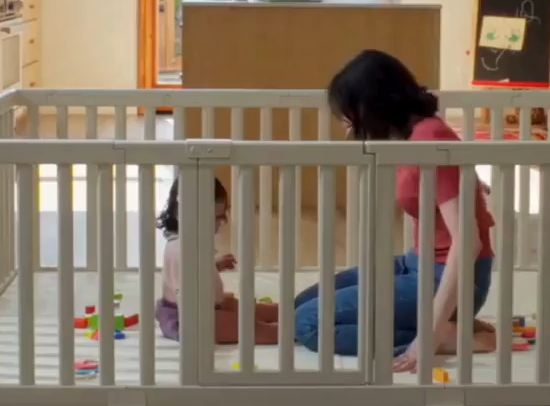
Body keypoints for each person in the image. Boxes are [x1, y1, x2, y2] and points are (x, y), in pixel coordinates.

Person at [294, 49, 496, 371]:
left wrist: (426, 339)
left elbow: (467, 242)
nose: (346, 122)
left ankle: (446, 335)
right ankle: (447, 324)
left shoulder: (429, 137)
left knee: (308, 323)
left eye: (349, 112)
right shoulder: (410, 136)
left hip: (447, 274)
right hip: (416, 263)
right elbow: (455, 177)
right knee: (300, 306)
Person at [155, 176, 279, 344]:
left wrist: (215, 266)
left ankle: (281, 311)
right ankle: (284, 331)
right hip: (188, 319)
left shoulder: (189, 243)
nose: (222, 222)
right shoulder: (181, 249)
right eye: (216, 218)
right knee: (244, 326)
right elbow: (186, 294)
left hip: (205, 309)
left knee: (239, 307)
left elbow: (193, 273)